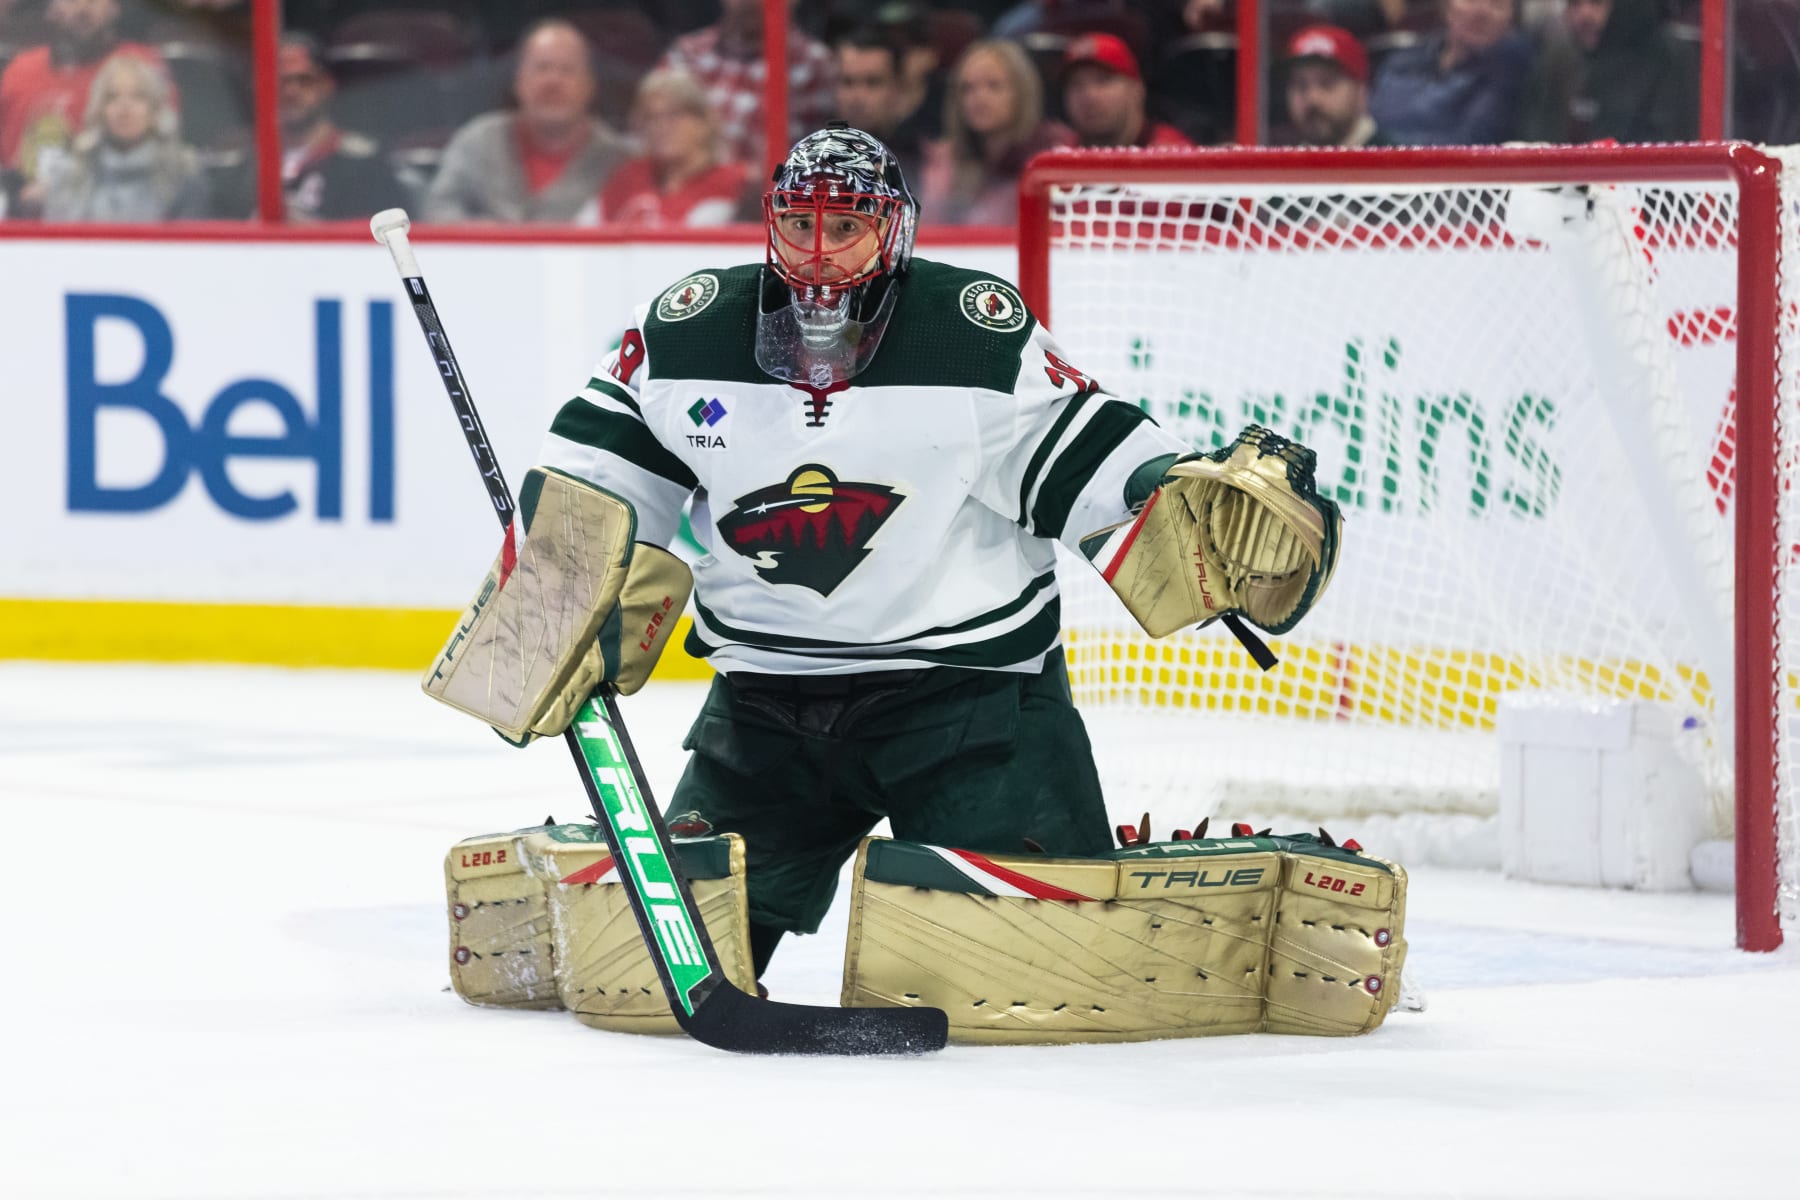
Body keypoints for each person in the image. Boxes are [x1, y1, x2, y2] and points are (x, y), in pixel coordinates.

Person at [525, 123, 1212, 980]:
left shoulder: (972, 335)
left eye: (845, 227)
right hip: (767, 715)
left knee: (1048, 974)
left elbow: (1090, 460)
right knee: (649, 971)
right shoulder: (685, 332)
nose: (819, 253)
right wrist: (563, 580)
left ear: (893, 231)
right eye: (799, 224)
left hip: (968, 708)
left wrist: (1177, 493)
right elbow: (597, 475)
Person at [424, 18, 628, 224]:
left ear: (589, 86)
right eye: (542, 68)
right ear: (518, 81)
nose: (553, 81)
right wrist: (486, 238)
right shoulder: (477, 142)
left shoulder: (619, 162)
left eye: (567, 70)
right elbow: (439, 210)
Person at [0, 0, 172, 213]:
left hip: (109, 218)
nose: (83, 8)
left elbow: (166, 156)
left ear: (115, 7)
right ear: (52, 7)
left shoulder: (141, 69)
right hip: (19, 225)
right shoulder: (19, 72)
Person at [656, 0, 834, 169]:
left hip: (759, 197)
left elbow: (808, 165)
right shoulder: (687, 54)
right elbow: (649, 134)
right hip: (682, 193)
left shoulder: (813, 65)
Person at [917, 39, 1072, 226]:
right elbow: (930, 225)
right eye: (968, 88)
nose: (979, 98)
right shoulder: (944, 160)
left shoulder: (1053, 153)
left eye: (994, 86)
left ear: (1022, 92)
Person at [41, 50, 205, 220]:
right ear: (100, 110)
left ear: (155, 110)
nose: (124, 108)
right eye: (112, 97)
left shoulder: (184, 173)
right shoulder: (73, 172)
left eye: (138, 96)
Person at [1518, 0, 1697, 144]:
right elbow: (1539, 136)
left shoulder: (1668, 57)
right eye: (1575, 4)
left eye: (1596, 3)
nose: (1584, 15)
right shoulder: (1562, 58)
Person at [277, 33, 408, 222]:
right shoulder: (238, 163)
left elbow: (385, 236)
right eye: (281, 81)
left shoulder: (365, 162)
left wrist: (315, 234)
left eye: (304, 80)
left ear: (326, 85)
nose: (290, 91)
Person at [1367, 0, 1533, 145]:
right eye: (1471, 0)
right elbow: (1371, 121)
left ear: (1510, 19)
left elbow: (1471, 143)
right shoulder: (1405, 59)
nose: (1481, 12)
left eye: (1497, 4)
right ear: (1447, 7)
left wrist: (1382, 143)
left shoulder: (1511, 68)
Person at [598, 68, 749, 227]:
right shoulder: (627, 178)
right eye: (651, 117)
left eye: (674, 115)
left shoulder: (737, 184)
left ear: (703, 123)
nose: (661, 127)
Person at [831, 25, 926, 189]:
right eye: (847, 82)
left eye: (873, 82)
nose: (857, 96)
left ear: (898, 88)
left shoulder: (926, 163)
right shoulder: (812, 158)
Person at [1059, 33, 1191, 149]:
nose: (1089, 96)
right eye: (1076, 85)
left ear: (1137, 88)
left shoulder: (1173, 154)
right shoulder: (1058, 159)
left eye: (1103, 80)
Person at [1281, 24, 1393, 147]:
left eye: (1327, 83)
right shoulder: (1282, 163)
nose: (1313, 98)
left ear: (1361, 93)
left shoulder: (1396, 159)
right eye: (1300, 85)